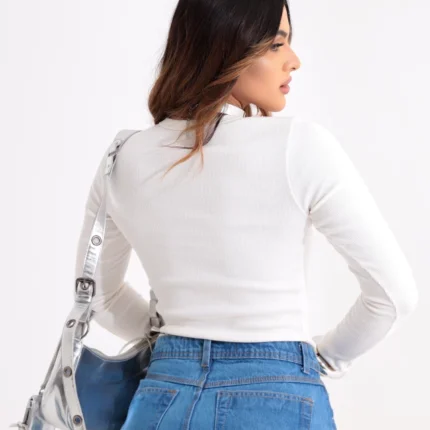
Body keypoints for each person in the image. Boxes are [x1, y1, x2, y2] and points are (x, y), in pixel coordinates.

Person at [74, 1, 419, 428]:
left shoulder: (122, 157)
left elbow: (100, 295)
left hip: (161, 399)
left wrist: (178, 343)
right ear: (227, 46)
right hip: (277, 397)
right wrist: (321, 359)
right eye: (276, 45)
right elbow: (392, 295)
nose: (294, 60)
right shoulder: (299, 145)